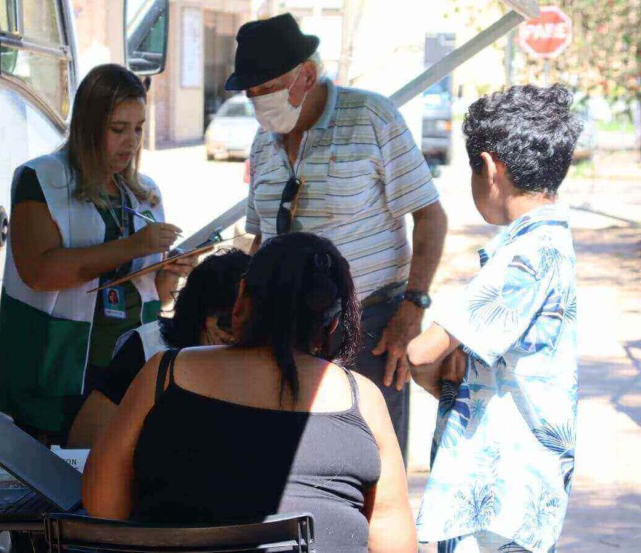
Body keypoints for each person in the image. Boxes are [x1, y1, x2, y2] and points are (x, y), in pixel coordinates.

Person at [83, 233, 416, 553]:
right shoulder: (363, 399)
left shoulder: (166, 373)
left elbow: (102, 507)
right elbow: (395, 543)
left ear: (241, 300)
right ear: (332, 324)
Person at [225, 13, 448, 456]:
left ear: (306, 76)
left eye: (265, 89)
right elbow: (260, 239)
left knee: (370, 460)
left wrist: (413, 307)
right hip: (285, 335)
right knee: (292, 463)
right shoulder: (262, 141)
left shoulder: (370, 116)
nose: (257, 102)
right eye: (250, 94)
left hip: (369, 325)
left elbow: (430, 217)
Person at [407, 84, 582, 552]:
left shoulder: (525, 256)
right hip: (523, 482)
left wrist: (438, 380)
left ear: (487, 167)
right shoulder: (552, 241)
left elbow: (421, 352)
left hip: (497, 488)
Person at [0, 64, 189, 445]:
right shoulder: (42, 178)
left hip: (124, 374)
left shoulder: (143, 192)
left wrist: (171, 269)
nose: (131, 142)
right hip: (53, 370)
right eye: (118, 128)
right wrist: (134, 246)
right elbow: (39, 272)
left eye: (139, 128)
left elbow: (155, 295)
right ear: (88, 125)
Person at [66, 248, 251, 448]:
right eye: (227, 323)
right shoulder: (149, 347)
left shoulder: (266, 360)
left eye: (250, 326)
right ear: (199, 313)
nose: (236, 336)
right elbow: (85, 439)